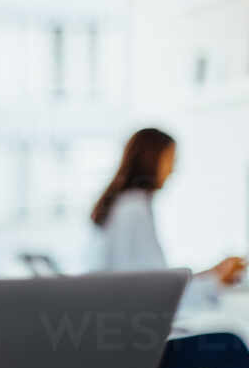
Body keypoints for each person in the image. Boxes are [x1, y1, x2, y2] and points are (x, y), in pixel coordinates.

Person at [87, 128, 244, 307]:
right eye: (170, 159)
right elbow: (155, 291)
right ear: (151, 159)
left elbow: (153, 279)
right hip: (132, 321)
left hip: (122, 317)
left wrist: (213, 273)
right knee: (232, 333)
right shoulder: (133, 210)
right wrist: (214, 281)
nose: (172, 170)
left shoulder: (125, 205)